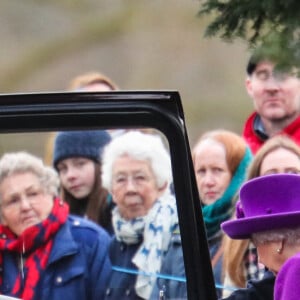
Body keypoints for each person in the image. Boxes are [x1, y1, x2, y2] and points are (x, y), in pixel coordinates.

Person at [151, 129, 252, 299]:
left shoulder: (247, 232)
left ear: (238, 175)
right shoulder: (181, 229)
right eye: (201, 171)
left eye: (218, 170)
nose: (208, 182)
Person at [0, 151, 111, 300]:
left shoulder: (91, 241)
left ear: (51, 194)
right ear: (3, 215)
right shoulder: (3, 253)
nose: (25, 206)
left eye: (33, 194)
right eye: (13, 201)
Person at [101, 131, 177, 299]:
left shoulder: (176, 235)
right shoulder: (115, 244)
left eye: (140, 178)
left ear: (162, 185)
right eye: (120, 179)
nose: (130, 189)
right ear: (111, 190)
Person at [222, 135, 300, 298]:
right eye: (270, 175)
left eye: (258, 241)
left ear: (280, 242)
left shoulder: (295, 271)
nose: (260, 261)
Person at [52, 130, 114, 234]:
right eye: (63, 168)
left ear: (103, 166)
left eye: (80, 164)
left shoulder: (122, 215)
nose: (70, 175)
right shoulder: (54, 216)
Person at [242, 44, 300, 154]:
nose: (272, 87)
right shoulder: (235, 158)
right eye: (263, 76)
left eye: (283, 76)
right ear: (249, 86)